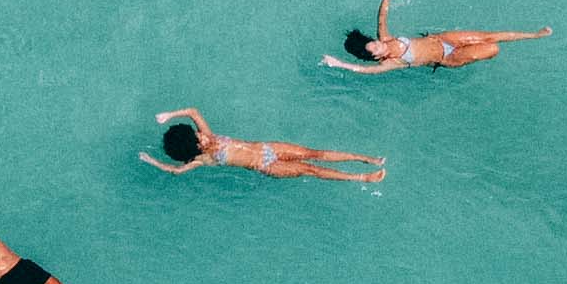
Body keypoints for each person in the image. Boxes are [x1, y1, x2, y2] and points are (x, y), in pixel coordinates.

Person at [325, 0, 551, 74]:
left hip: (442, 39)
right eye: (375, 48)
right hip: (448, 57)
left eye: (374, 42)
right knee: (493, 48)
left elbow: (382, 17)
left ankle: (534, 34)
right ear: (375, 57)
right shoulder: (390, 63)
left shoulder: (386, 37)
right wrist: (339, 64)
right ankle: (481, 54)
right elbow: (364, 70)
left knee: (487, 36)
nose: (378, 44)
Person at [140, 108, 384, 184]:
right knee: (312, 170)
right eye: (198, 140)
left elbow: (192, 111)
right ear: (194, 149)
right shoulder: (202, 159)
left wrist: (169, 115)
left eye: (197, 134)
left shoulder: (208, 134)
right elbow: (177, 170)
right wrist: (151, 161)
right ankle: (363, 177)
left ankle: (364, 158)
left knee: (314, 153)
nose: (202, 136)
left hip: (268, 148)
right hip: (265, 165)